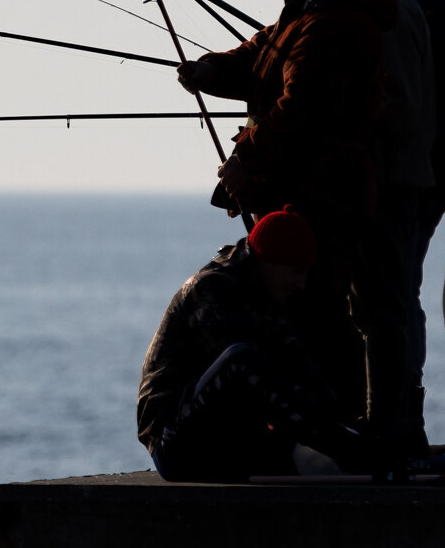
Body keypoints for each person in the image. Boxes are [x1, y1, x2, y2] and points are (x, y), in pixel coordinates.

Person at [177, 0, 396, 420]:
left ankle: (333, 427)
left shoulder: (336, 20)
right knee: (301, 312)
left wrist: (243, 160)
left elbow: (300, 107)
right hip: (304, 189)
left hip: (322, 194)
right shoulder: (310, 10)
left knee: (315, 313)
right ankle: (318, 429)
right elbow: (261, 59)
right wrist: (207, 71)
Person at [137, 206, 370, 481]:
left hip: (228, 437)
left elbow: (299, 367)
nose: (301, 284)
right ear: (268, 261)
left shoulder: (267, 294)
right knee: (241, 359)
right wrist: (329, 437)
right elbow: (247, 382)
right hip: (175, 442)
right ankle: (344, 448)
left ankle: (356, 448)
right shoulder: (211, 289)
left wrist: (340, 419)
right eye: (296, 271)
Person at [368, 0, 445, 432]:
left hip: (419, 168)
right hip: (435, 165)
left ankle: (400, 418)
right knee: (406, 290)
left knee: (396, 293)